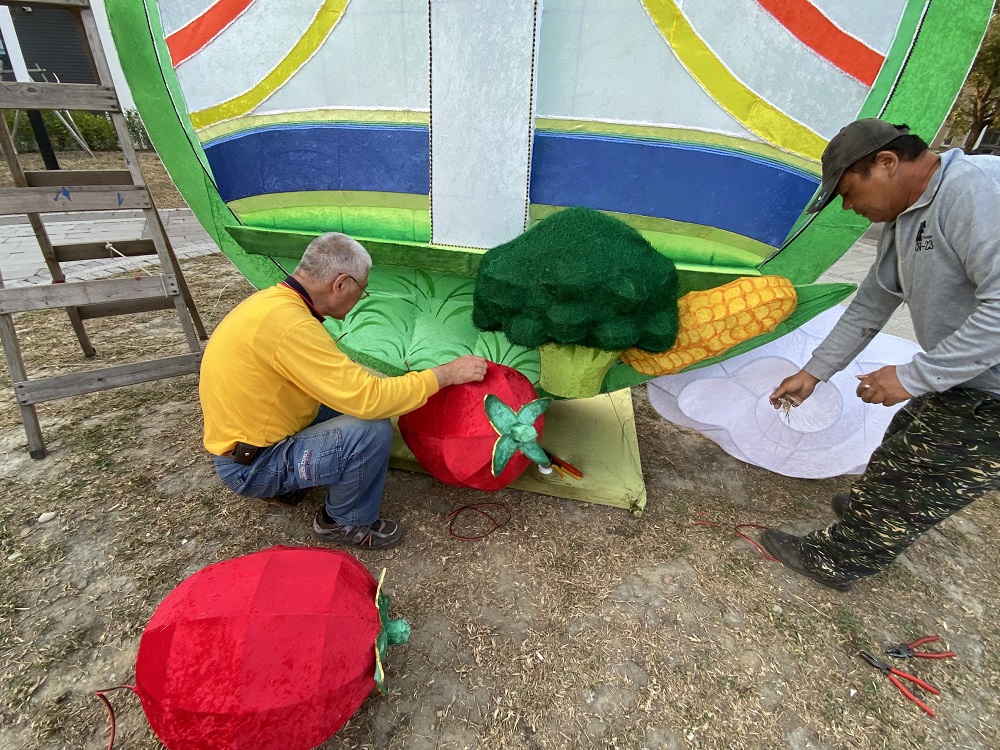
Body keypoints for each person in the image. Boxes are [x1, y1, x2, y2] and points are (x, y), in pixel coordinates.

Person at [764, 118, 1000, 592]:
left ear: (887, 163)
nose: (849, 207)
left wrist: (915, 376)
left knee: (917, 471)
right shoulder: (906, 217)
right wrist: (815, 372)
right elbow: (871, 304)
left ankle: (839, 559)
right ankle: (872, 509)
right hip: (970, 375)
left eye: (850, 192)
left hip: (992, 394)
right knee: (903, 437)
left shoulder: (977, 191)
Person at [199, 232, 487, 550]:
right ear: (341, 284)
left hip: (249, 444)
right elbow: (370, 400)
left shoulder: (274, 305)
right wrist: (445, 374)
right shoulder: (291, 326)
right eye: (362, 290)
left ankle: (290, 483)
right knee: (371, 428)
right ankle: (343, 523)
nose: (361, 298)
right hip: (252, 467)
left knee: (345, 405)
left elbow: (345, 385)